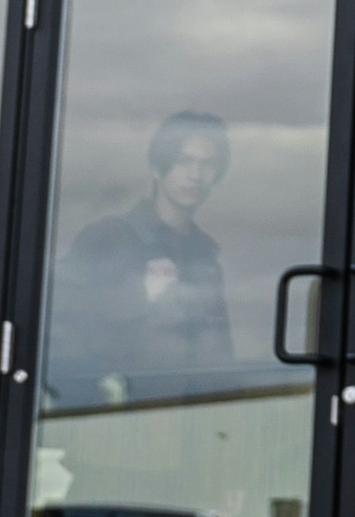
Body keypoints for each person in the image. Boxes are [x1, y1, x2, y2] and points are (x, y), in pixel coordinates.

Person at [56, 111, 238, 396]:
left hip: (194, 410)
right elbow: (63, 333)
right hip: (122, 408)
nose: (195, 175)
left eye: (207, 164)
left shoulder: (206, 257)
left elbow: (218, 357)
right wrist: (143, 299)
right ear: (157, 168)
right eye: (183, 161)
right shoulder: (107, 238)